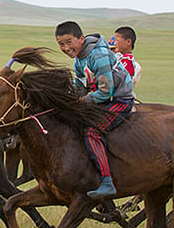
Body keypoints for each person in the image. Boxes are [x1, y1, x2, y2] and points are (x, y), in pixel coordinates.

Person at [55, 21, 135, 199]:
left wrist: (81, 101)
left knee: (92, 133)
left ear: (81, 39)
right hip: (101, 100)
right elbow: (79, 88)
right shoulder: (79, 60)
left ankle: (107, 182)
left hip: (119, 99)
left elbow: (106, 92)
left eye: (69, 42)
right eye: (61, 44)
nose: (66, 47)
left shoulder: (97, 55)